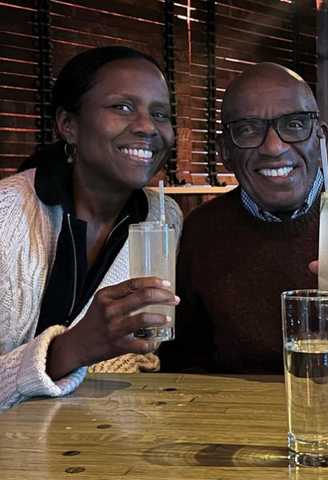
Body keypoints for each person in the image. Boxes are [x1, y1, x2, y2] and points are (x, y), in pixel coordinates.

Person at [159, 63, 328, 374]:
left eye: (295, 124)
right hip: (240, 415)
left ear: (321, 138)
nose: (274, 146)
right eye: (247, 129)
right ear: (225, 152)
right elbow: (185, 363)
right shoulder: (203, 230)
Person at [0, 46, 183, 411]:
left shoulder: (165, 217)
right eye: (123, 107)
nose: (148, 126)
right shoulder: (6, 215)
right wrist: (71, 349)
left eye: (159, 113)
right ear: (68, 125)